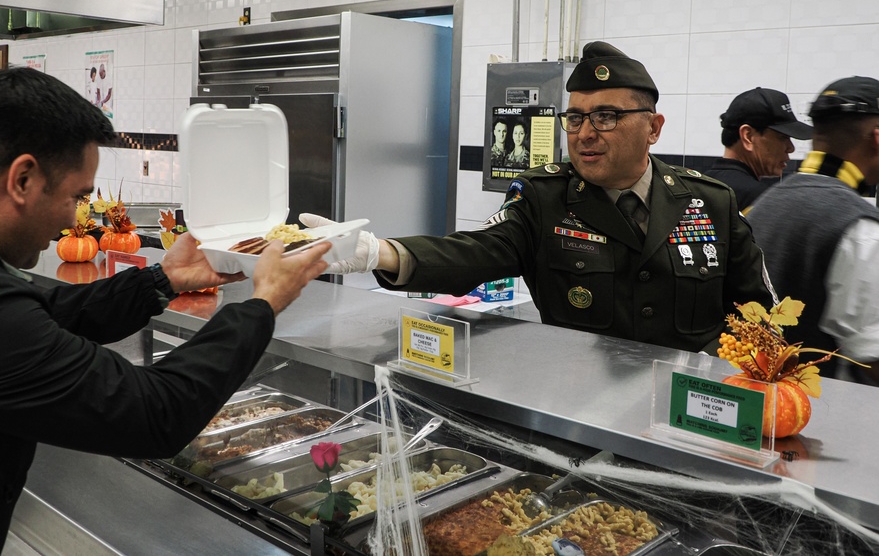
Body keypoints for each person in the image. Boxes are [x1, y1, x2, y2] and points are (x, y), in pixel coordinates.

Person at [0, 68, 332, 554]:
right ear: (23, 179)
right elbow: (155, 413)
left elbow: (44, 311)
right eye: (76, 197)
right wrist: (263, 304)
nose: (71, 219)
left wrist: (163, 280)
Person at [304, 41, 776, 353]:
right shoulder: (544, 198)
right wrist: (380, 253)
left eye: (607, 117)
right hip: (578, 407)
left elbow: (759, 317)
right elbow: (477, 253)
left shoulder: (710, 202)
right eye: (575, 118)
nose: (585, 133)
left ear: (653, 128)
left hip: (686, 415)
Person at [746, 76, 879, 384]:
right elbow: (872, 359)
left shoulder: (762, 205)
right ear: (876, 138)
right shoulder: (861, 228)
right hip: (820, 419)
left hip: (754, 403)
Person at [705, 87, 812, 213]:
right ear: (748, 136)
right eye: (782, 137)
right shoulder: (759, 200)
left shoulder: (697, 186)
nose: (791, 148)